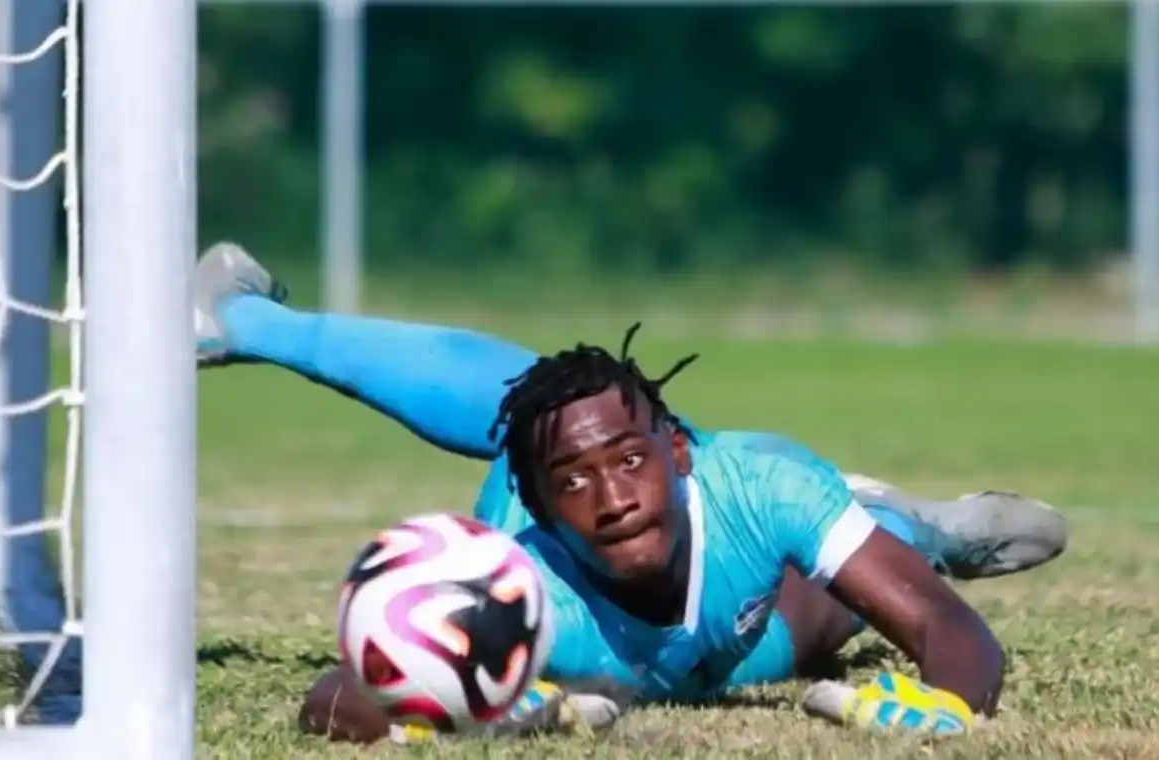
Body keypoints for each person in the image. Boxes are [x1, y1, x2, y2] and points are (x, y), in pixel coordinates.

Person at [192, 243, 1067, 743]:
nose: (610, 495)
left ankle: (911, 528)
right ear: (532, 507)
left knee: (847, 599)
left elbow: (946, 633)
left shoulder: (758, 482)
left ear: (678, 451)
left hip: (747, 575)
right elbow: (336, 696)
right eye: (571, 483)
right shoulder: (515, 586)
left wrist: (948, 705)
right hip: (671, 623)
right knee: (543, 409)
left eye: (630, 461)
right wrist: (459, 700)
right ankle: (238, 321)